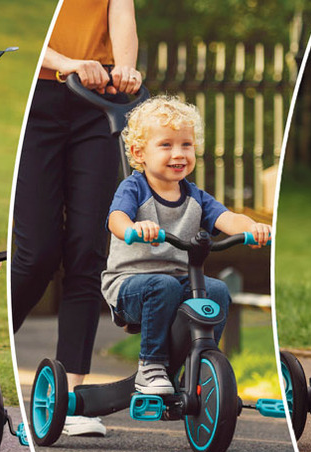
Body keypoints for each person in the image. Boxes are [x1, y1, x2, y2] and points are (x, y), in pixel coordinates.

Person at [11, 0, 141, 436]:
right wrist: (65, 62)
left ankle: (67, 399)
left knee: (89, 251)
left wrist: (124, 69)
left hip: (97, 98)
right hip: (40, 96)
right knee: (36, 255)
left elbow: (121, 15)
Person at [101, 95, 271, 394]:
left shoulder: (195, 196)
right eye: (166, 145)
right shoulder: (134, 187)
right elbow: (116, 219)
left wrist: (253, 228)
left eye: (186, 145)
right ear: (139, 152)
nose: (178, 153)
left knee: (216, 291)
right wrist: (133, 228)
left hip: (179, 281)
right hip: (130, 284)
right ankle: (150, 366)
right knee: (162, 287)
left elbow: (227, 218)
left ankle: (197, 365)